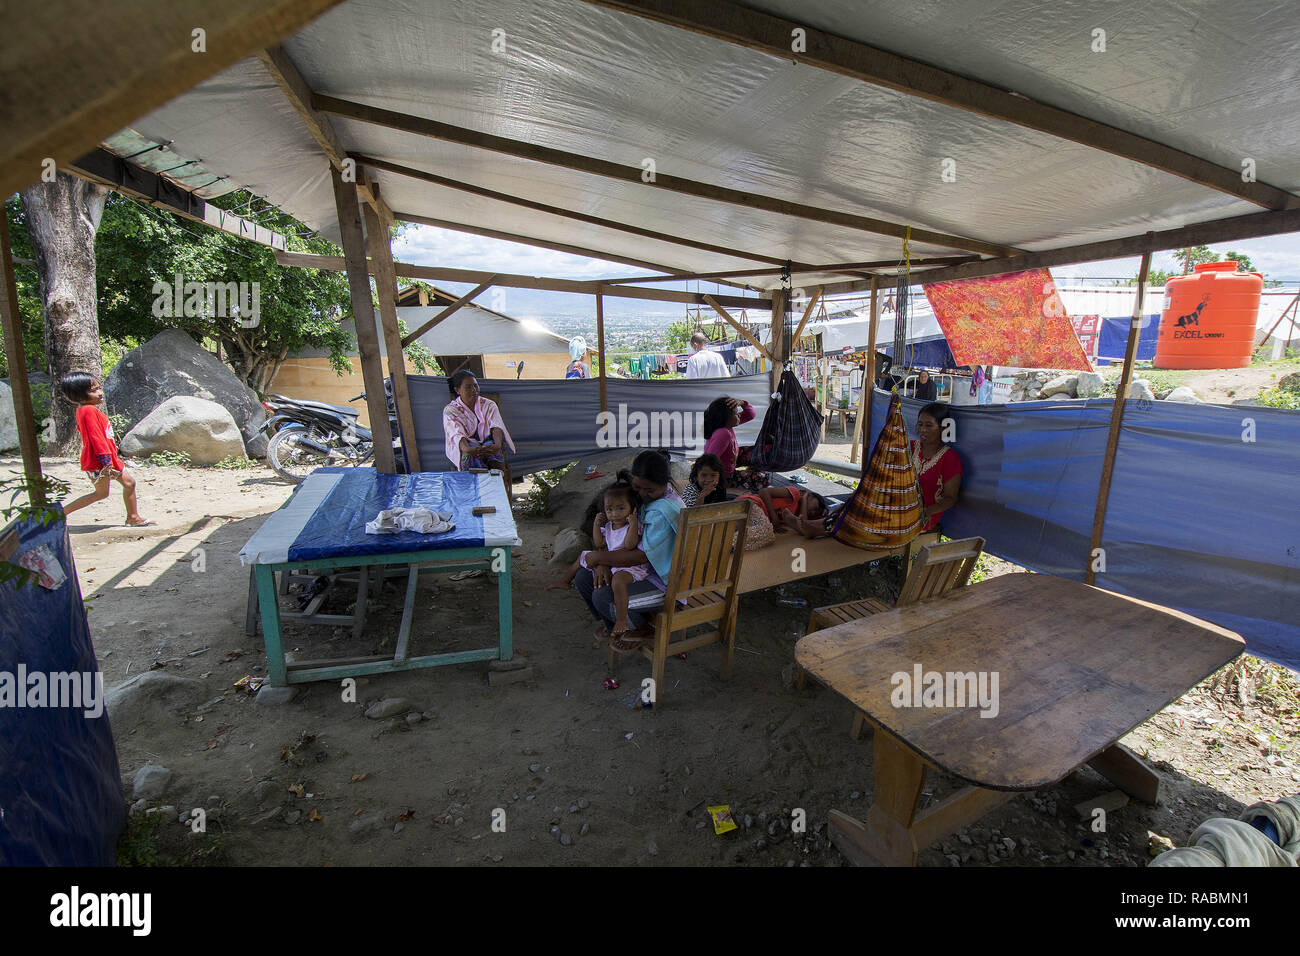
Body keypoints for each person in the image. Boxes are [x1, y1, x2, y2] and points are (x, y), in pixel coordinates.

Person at [574, 450, 682, 652]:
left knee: (602, 597)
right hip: (640, 571)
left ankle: (642, 628)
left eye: (648, 490)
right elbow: (615, 538)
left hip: (666, 582)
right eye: (637, 487)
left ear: (664, 483)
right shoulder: (646, 500)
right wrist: (603, 562)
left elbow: (642, 555)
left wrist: (599, 558)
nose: (641, 494)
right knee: (583, 578)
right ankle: (614, 625)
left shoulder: (664, 510)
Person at [547, 480, 648, 637]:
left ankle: (622, 620)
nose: (614, 514)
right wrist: (596, 524)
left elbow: (629, 545)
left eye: (621, 508)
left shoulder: (632, 526)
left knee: (617, 581)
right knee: (583, 560)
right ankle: (565, 581)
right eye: (609, 509)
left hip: (630, 567)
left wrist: (633, 524)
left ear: (632, 509)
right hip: (612, 563)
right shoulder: (609, 526)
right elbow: (600, 543)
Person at [58, 372, 152, 526]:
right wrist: (105, 460)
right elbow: (96, 437)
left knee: (128, 484)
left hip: (107, 459)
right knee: (101, 494)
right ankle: (60, 514)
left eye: (98, 388)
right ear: (79, 395)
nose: (100, 393)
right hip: (101, 461)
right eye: (93, 390)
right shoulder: (88, 411)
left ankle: (133, 517)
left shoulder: (85, 410)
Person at [442, 370, 514, 491]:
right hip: (466, 446)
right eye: (468, 387)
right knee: (468, 457)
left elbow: (496, 426)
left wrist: (497, 445)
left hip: (488, 442)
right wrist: (469, 449)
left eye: (475, 385)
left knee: (495, 452)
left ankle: (498, 490)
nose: (474, 390)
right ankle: (474, 491)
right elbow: (456, 434)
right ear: (457, 390)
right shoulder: (450, 410)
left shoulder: (489, 404)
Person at [911, 402, 963, 533]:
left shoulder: (950, 458)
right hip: (896, 509)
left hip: (922, 520)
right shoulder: (909, 447)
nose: (922, 429)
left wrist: (927, 511)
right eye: (920, 424)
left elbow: (950, 497)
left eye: (929, 425)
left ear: (943, 429)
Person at [702, 395, 767, 491]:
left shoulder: (727, 425)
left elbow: (751, 414)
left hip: (728, 463)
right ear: (726, 418)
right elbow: (709, 460)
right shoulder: (723, 433)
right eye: (736, 413)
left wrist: (742, 403)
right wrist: (715, 483)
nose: (739, 415)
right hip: (724, 477)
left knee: (757, 452)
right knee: (762, 478)